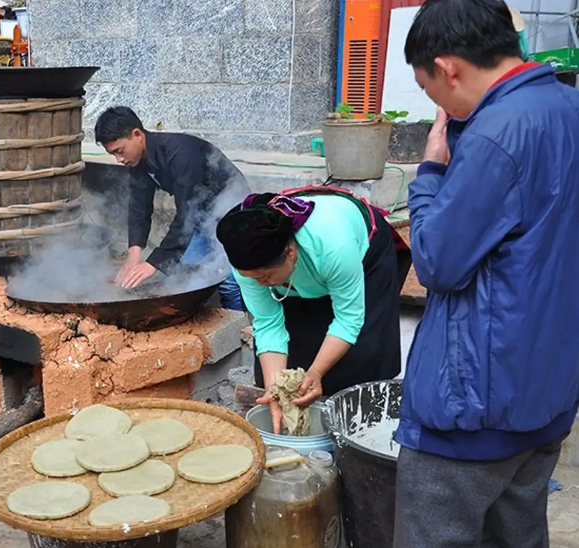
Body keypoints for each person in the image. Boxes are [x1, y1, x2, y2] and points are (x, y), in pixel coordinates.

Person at [394, 1, 579, 547]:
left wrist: (430, 171)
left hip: (474, 406)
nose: (439, 105)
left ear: (448, 68)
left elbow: (437, 264)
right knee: (519, 532)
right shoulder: (568, 107)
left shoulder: (498, 132)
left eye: (430, 91)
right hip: (546, 392)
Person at [216, 189, 411, 433]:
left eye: (264, 277)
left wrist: (317, 372)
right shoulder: (248, 262)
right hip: (300, 271)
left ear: (291, 252)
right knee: (292, 366)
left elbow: (349, 318)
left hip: (360, 257)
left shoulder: (335, 245)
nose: (258, 285)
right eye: (250, 278)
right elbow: (268, 322)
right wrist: (274, 391)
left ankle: (362, 433)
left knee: (360, 357)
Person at [94, 106, 250, 310]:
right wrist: (134, 253)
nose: (119, 159)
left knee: (227, 279)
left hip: (231, 212)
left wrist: (153, 263)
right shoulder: (138, 161)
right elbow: (139, 208)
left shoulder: (181, 153)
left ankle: (239, 322)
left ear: (137, 135)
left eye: (119, 151)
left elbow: (186, 214)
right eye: (113, 154)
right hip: (201, 217)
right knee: (187, 273)